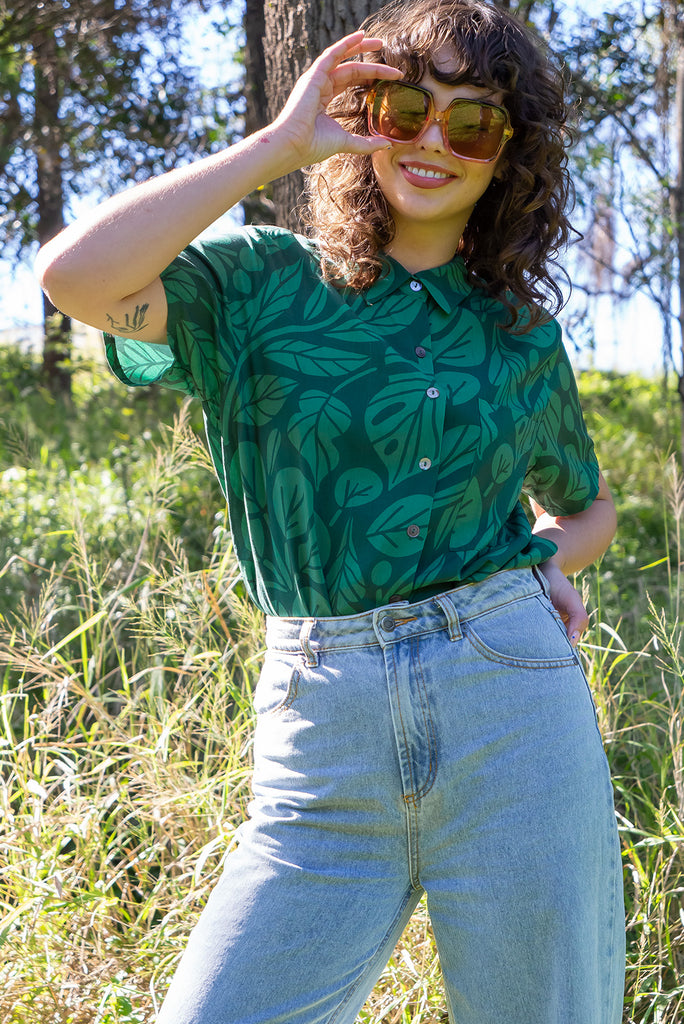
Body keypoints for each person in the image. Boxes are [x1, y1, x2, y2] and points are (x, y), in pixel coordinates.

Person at [35, 1, 625, 1021]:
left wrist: (546, 564)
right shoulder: (262, 287)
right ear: (365, 116)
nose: (434, 140)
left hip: (513, 714)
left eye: (472, 121)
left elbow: (590, 507)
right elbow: (76, 279)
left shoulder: (519, 338)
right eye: (405, 107)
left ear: (506, 157)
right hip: (320, 732)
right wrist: (276, 147)